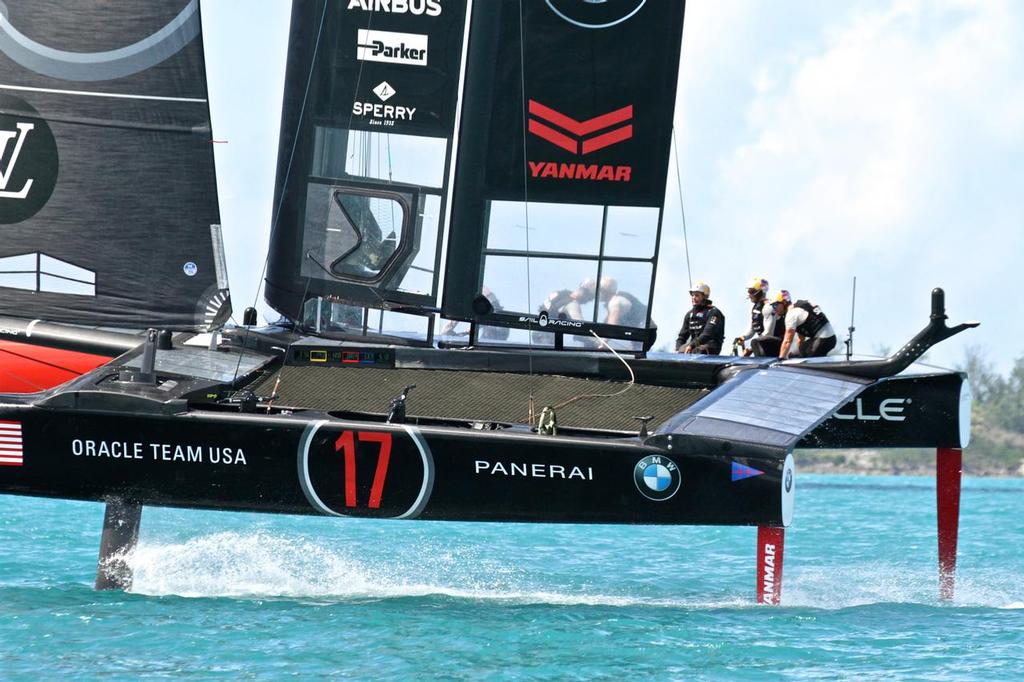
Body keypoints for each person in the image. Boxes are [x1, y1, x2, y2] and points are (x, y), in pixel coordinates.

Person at [772, 291, 837, 358]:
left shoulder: (791, 315)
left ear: (784, 302)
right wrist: (798, 354)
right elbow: (801, 339)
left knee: (803, 354)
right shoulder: (799, 306)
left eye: (775, 305)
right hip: (832, 339)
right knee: (802, 348)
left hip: (823, 340)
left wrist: (780, 359)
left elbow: (787, 341)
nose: (774, 309)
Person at [733, 276, 783, 357]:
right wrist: (743, 337)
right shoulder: (755, 308)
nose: (749, 294)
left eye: (751, 291)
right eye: (748, 291)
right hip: (765, 343)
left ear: (761, 292)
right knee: (756, 342)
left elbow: (768, 334)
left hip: (778, 343)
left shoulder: (768, 307)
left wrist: (750, 349)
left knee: (755, 342)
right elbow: (752, 329)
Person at [674, 281, 725, 354]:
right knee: (681, 351)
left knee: (698, 351)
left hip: (710, 346)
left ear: (704, 297)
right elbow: (682, 336)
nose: (694, 298)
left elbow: (707, 334)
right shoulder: (689, 314)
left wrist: (691, 345)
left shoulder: (713, 312)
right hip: (693, 346)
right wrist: (677, 349)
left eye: (697, 295)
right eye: (692, 295)